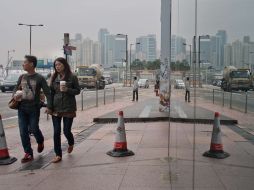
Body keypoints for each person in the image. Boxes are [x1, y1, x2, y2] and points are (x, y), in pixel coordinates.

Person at [13, 55, 51, 163]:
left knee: (34, 129)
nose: (23, 64)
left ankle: (40, 140)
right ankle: (28, 153)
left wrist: (49, 106)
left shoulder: (39, 77)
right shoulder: (22, 77)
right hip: (22, 108)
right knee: (23, 131)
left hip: (34, 109)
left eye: (25, 62)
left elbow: (47, 92)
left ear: (31, 64)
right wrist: (15, 95)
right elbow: (16, 88)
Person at [47, 57, 80, 163]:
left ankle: (71, 142)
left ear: (64, 65)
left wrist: (68, 90)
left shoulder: (72, 77)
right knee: (56, 132)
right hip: (56, 108)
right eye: (56, 65)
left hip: (68, 107)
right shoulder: (53, 77)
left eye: (59, 64)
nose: (57, 67)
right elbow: (50, 94)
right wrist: (49, 107)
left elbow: (78, 91)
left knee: (66, 131)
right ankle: (58, 155)